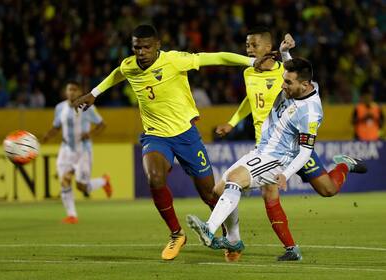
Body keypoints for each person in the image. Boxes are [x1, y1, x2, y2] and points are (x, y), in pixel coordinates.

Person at [72, 24, 270, 260]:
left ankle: (230, 235)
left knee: (209, 193)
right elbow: (119, 72)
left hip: (186, 135)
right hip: (156, 135)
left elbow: (215, 57)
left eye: (146, 47)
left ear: (158, 46)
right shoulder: (130, 65)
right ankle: (176, 234)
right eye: (137, 47)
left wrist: (250, 62)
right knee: (154, 178)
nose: (141, 52)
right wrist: (94, 93)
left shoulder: (175, 60)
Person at [187, 58, 368, 261]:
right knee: (219, 190)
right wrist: (285, 52)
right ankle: (234, 239)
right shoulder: (302, 85)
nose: (283, 86)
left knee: (237, 179)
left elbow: (305, 152)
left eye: (288, 83)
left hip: (281, 156)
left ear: (304, 85)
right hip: (263, 150)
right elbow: (294, 70)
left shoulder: (310, 113)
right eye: (284, 80)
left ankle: (209, 229)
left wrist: (285, 174)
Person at [42, 81, 113, 224]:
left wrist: (90, 134)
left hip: (83, 150)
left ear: (80, 92)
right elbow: (56, 127)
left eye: (75, 89)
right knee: (65, 180)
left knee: (82, 186)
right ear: (65, 92)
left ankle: (104, 181)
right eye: (69, 89)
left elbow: (102, 125)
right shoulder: (60, 108)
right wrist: (47, 136)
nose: (72, 92)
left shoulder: (87, 107)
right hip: (66, 149)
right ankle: (72, 215)